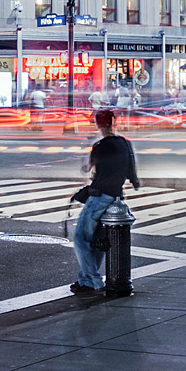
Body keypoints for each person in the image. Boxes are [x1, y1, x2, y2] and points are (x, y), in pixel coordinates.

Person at [69, 107, 138, 296]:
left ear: (98, 124)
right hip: (116, 197)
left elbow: (86, 168)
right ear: (114, 123)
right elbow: (131, 172)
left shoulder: (100, 146)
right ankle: (86, 280)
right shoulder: (124, 143)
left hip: (99, 197)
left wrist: (88, 152)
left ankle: (92, 281)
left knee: (81, 239)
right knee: (98, 240)